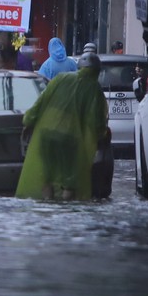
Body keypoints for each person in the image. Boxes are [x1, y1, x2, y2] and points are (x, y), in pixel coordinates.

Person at [17, 47, 107, 201]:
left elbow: (41, 103)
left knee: (47, 175)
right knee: (69, 180)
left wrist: (28, 122)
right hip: (70, 139)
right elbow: (98, 122)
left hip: (46, 134)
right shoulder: (95, 89)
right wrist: (100, 138)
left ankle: (48, 204)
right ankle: (64, 209)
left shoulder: (60, 79)